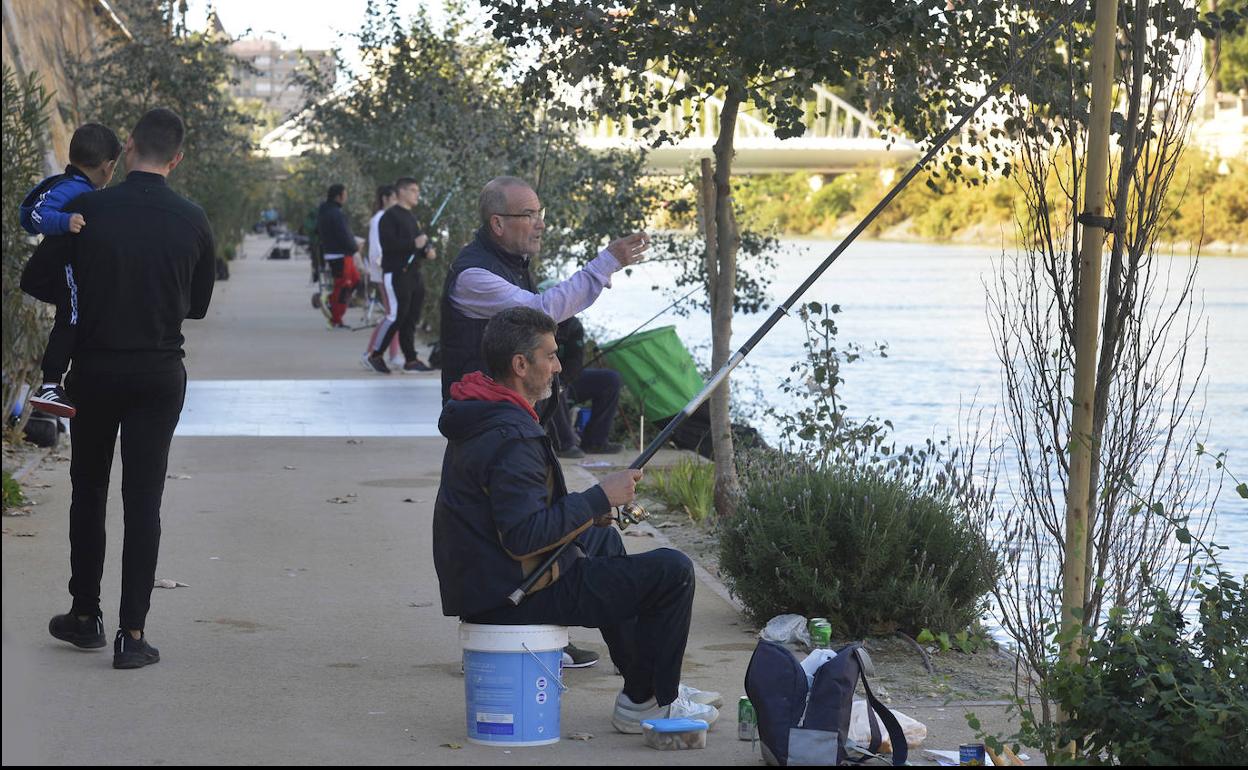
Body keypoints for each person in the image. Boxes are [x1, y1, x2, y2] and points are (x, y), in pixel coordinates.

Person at [433, 307, 718, 730]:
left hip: (488, 576)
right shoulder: (510, 437)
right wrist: (599, 497)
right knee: (672, 571)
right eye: (549, 356)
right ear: (520, 365)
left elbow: (514, 518)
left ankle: (644, 687)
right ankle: (650, 701)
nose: (558, 366)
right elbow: (523, 537)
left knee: (601, 541)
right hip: (507, 594)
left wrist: (592, 514)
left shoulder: (484, 410)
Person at [23, 107, 216, 669]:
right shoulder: (193, 219)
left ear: (127, 147)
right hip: (158, 374)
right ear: (175, 159)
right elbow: (197, 306)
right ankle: (133, 635)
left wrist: (82, 295)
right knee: (144, 499)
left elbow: (34, 277)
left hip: (95, 370)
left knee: (88, 492)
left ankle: (85, 616)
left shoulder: (86, 208)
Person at [439, 175, 651, 403]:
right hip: (482, 416)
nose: (541, 224)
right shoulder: (473, 275)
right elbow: (537, 312)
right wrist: (606, 263)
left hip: (510, 411)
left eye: (540, 213)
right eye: (529, 215)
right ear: (497, 224)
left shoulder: (514, 262)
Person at [17, 122, 122, 419]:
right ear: (108, 167)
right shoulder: (73, 189)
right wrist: (66, 221)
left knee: (74, 315)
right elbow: (39, 212)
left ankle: (54, 382)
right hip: (64, 267)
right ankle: (50, 384)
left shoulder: (75, 186)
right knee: (71, 317)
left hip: (67, 267)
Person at [534, 280, 624, 458]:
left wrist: (564, 383)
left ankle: (595, 441)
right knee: (551, 385)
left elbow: (576, 361)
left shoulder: (573, 325)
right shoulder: (533, 325)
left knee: (610, 380)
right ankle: (563, 444)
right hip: (540, 378)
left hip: (567, 379)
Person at [365, 177, 435, 374]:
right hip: (396, 274)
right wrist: (416, 245)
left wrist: (426, 251)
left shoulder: (411, 217)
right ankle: (375, 355)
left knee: (410, 318)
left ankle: (411, 360)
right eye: (413, 190)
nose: (417, 194)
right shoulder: (389, 217)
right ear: (401, 192)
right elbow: (389, 246)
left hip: (414, 275)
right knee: (396, 315)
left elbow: (418, 243)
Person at [363, 184, 402, 368]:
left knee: (393, 315)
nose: (396, 202)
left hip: (387, 271)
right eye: (394, 198)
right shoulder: (380, 218)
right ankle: (371, 352)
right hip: (385, 272)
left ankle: (393, 355)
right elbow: (377, 248)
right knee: (392, 316)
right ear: (386, 199)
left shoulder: (386, 218)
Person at [316, 183, 361, 329]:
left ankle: (333, 306)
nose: (346, 197)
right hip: (340, 254)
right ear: (338, 196)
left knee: (354, 280)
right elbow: (344, 234)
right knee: (344, 286)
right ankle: (335, 315)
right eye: (345, 194)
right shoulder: (335, 213)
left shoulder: (327, 211)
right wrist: (355, 248)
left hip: (335, 253)